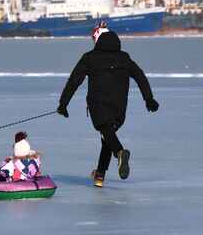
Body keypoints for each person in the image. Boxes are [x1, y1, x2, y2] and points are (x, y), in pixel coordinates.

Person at [56, 22, 159, 188]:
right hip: (119, 105)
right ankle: (100, 174)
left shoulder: (89, 58)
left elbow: (74, 81)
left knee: (107, 132)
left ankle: (120, 152)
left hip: (99, 104)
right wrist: (149, 98)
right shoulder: (124, 58)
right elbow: (140, 77)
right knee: (107, 135)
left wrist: (63, 104)